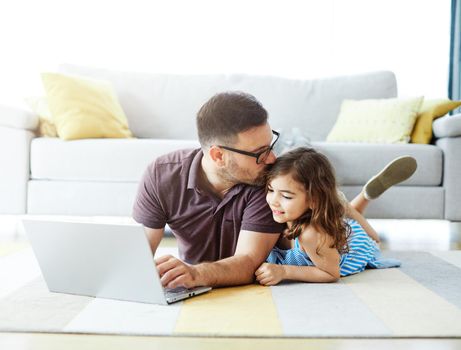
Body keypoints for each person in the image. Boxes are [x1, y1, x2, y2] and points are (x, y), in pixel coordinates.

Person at [133, 91, 417, 289]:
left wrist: (195, 273)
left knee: (335, 215)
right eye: (259, 152)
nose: (271, 159)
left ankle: (354, 199)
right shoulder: (161, 175)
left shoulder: (266, 182)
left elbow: (247, 263)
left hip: (306, 240)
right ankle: (356, 198)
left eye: (272, 144)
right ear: (218, 156)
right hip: (213, 269)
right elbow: (139, 254)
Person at [255, 147, 416, 285]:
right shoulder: (280, 214)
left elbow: (332, 274)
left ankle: (355, 203)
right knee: (343, 222)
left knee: (374, 241)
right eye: (270, 190)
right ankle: (342, 206)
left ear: (313, 200)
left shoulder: (311, 234)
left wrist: (284, 271)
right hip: (334, 234)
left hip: (352, 247)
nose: (273, 201)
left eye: (286, 196)